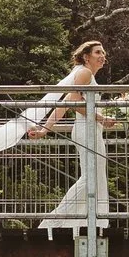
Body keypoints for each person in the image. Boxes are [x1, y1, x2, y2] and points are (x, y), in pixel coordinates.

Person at [32, 40, 116, 232]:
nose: (102, 56)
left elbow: (68, 101)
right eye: (98, 52)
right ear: (87, 57)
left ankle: (87, 225)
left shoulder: (84, 75)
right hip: (87, 130)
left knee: (95, 177)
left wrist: (46, 129)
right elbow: (75, 102)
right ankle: (54, 222)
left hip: (89, 130)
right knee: (91, 178)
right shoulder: (85, 73)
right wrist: (101, 118)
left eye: (103, 52)